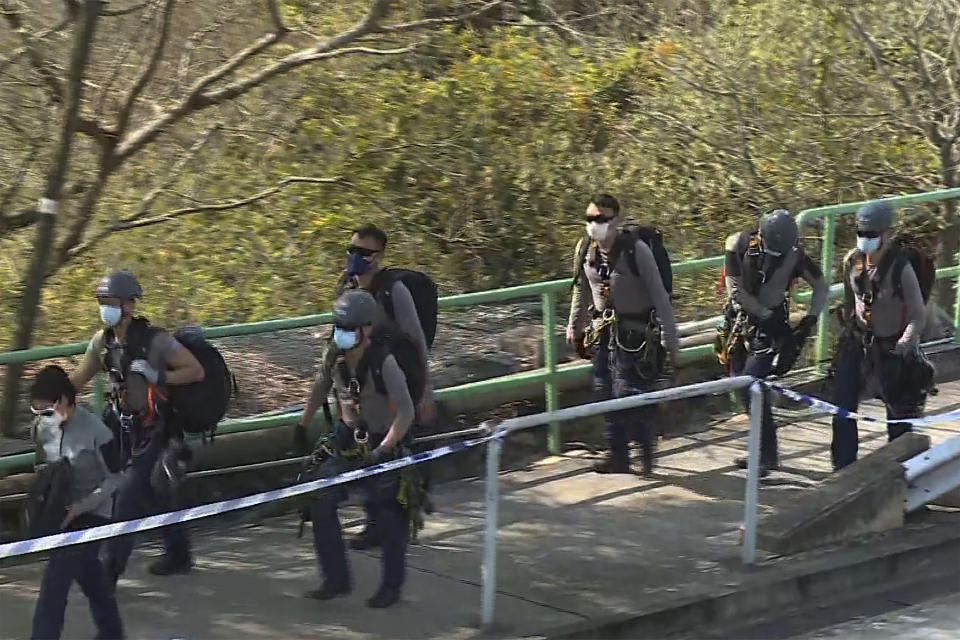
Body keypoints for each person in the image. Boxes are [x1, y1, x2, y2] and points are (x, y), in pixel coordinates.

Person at [297, 223, 436, 551]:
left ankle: (388, 532)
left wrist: (425, 393)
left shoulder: (394, 291)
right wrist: (306, 416)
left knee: (386, 465)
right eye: (351, 250)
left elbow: (416, 341)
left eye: (364, 252)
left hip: (391, 391)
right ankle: (377, 523)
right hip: (357, 397)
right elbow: (333, 354)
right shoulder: (345, 291)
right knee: (358, 462)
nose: (355, 258)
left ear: (379, 256)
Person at [70, 270, 204, 581]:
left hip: (156, 427)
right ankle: (179, 553)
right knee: (152, 492)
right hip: (122, 425)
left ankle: (109, 573)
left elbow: (195, 371)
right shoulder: (102, 343)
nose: (105, 307)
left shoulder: (157, 342)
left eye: (111, 301)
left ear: (129, 305)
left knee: (126, 496)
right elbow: (78, 378)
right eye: (101, 301)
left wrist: (160, 377)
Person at [302, 289, 417, 608]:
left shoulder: (384, 362)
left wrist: (385, 449)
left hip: (384, 442)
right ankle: (335, 578)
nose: (340, 333)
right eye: (337, 326)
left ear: (365, 330)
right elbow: (320, 387)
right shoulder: (332, 356)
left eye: (348, 327)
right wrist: (301, 424)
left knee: (389, 514)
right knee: (321, 502)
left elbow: (406, 411)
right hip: (347, 438)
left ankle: (391, 586)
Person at [566, 194, 681, 475]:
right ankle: (617, 454)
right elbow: (581, 289)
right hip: (603, 330)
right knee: (602, 390)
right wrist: (574, 326)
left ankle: (645, 447)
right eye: (590, 218)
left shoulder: (635, 250)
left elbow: (660, 295)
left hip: (636, 334)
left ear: (616, 220)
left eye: (601, 219)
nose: (595, 224)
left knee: (627, 394)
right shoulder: (585, 250)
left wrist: (671, 340)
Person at [721, 210, 828, 476]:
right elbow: (736, 290)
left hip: (771, 328)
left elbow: (821, 285)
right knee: (739, 384)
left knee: (751, 384)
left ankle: (767, 456)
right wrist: (763, 314)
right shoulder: (738, 245)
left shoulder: (794, 255)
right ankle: (762, 450)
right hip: (742, 321)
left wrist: (808, 322)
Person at [831, 201, 932, 470]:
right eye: (861, 234)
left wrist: (905, 343)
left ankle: (903, 474)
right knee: (842, 407)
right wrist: (846, 334)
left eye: (871, 235)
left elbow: (918, 315)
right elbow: (849, 303)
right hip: (858, 344)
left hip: (892, 350)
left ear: (886, 234)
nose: (865, 240)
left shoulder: (901, 269)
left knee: (899, 419)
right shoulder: (852, 262)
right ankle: (843, 470)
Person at [28, 366, 124, 640]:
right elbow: (41, 466)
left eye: (46, 411)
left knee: (55, 582)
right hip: (60, 511)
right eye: (38, 413)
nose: (42, 418)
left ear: (63, 401)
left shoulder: (98, 432)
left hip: (94, 512)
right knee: (90, 575)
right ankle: (112, 633)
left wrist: (80, 508)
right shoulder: (41, 429)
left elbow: (116, 480)